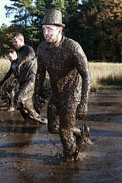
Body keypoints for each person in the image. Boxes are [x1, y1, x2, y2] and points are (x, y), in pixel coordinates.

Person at [34, 9, 92, 161]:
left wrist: (83, 103)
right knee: (53, 128)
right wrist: (36, 95)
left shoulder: (73, 47)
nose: (46, 33)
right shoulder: (41, 48)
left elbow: (87, 75)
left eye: (50, 30)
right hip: (56, 93)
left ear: (60, 29)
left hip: (73, 93)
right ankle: (80, 133)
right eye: (44, 29)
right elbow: (40, 74)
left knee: (64, 132)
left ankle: (72, 160)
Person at [11, 32, 47, 124]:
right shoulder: (20, 53)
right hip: (23, 80)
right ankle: (30, 118)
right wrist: (16, 77)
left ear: (21, 40)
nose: (14, 44)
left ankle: (38, 118)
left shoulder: (28, 49)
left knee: (17, 98)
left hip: (31, 79)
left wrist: (20, 63)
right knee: (25, 102)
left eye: (15, 41)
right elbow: (20, 69)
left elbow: (32, 56)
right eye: (13, 42)